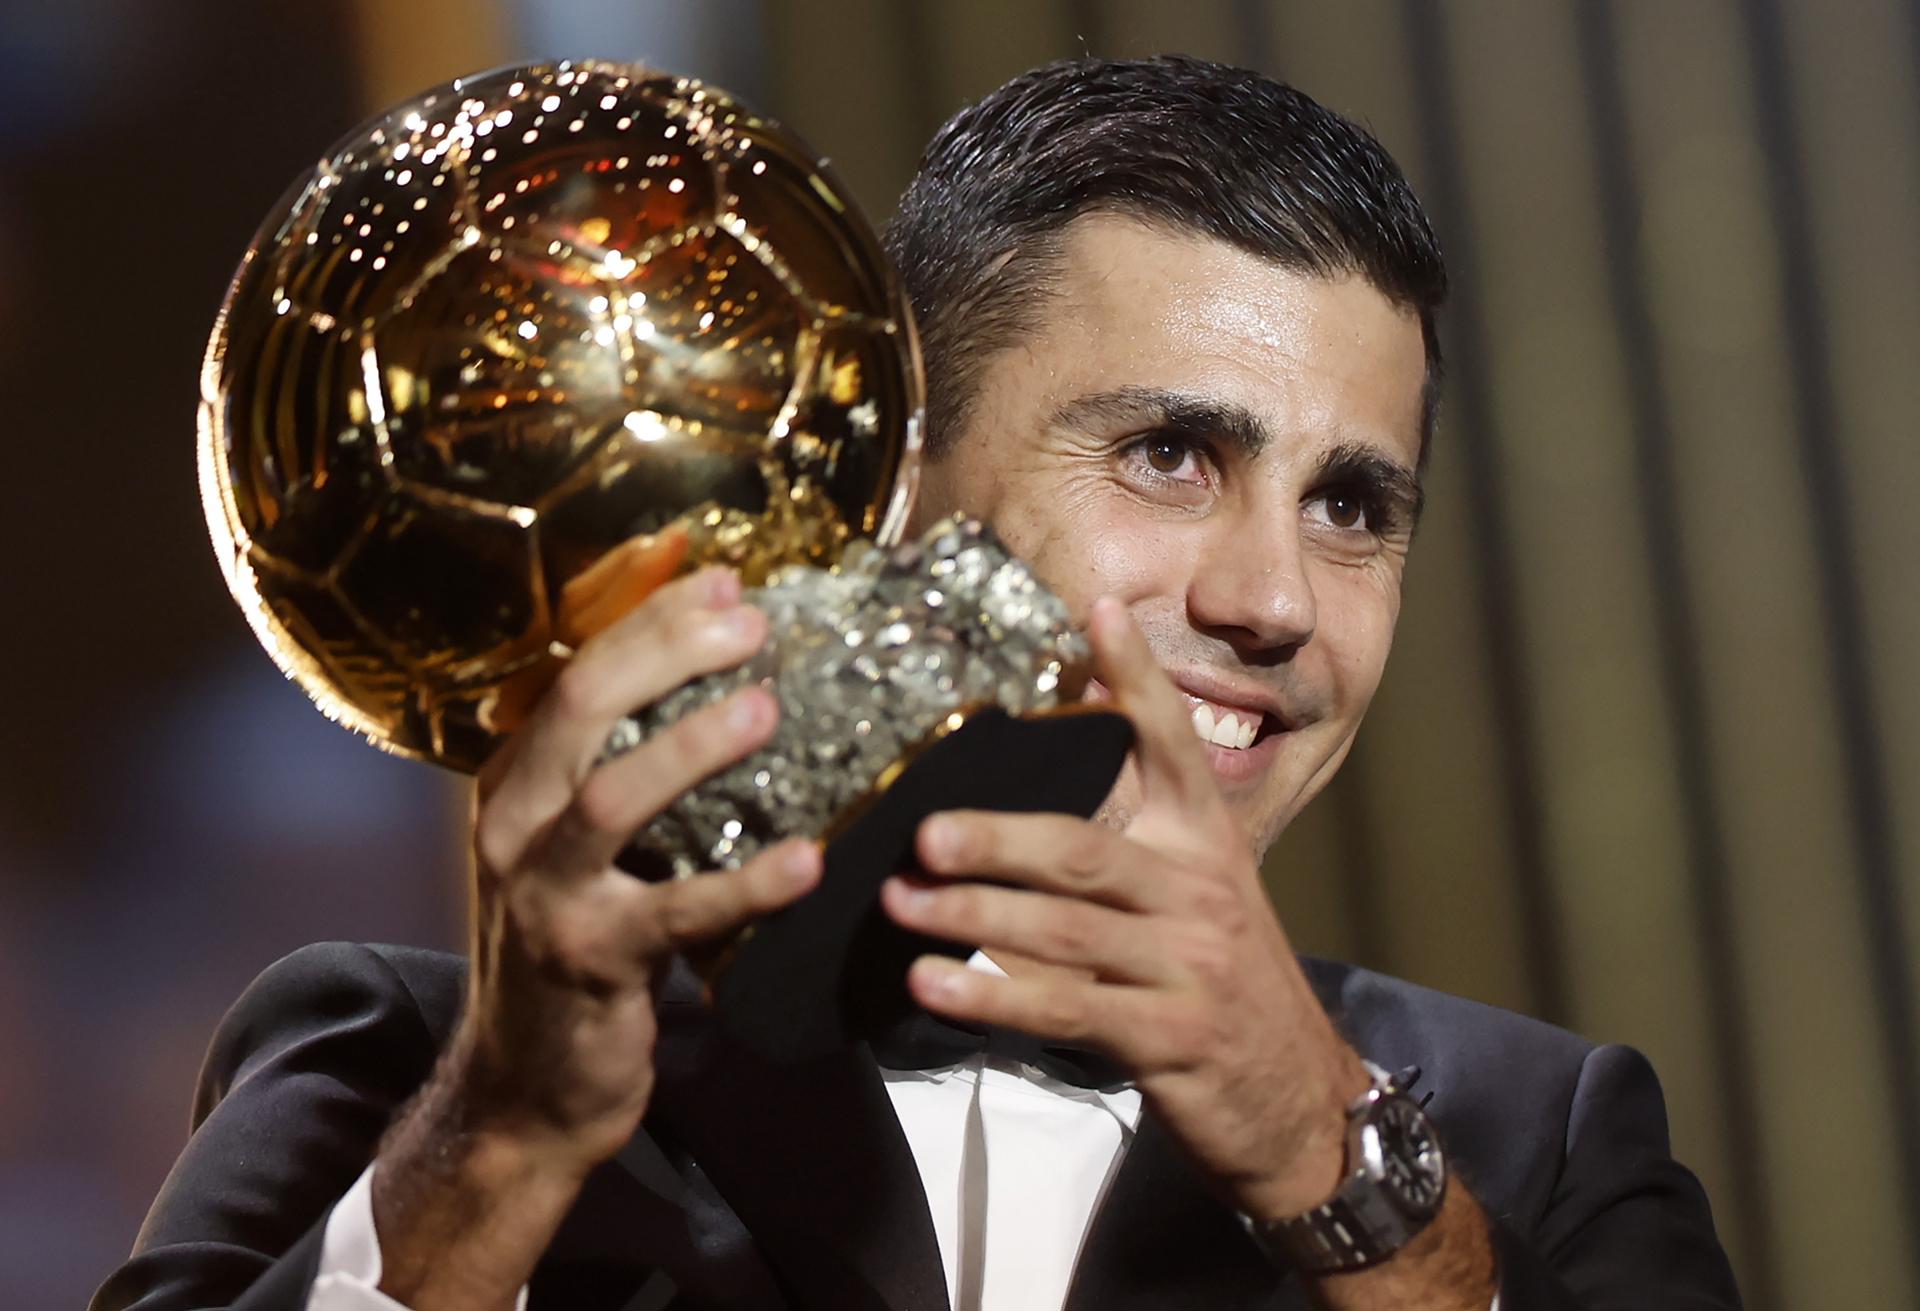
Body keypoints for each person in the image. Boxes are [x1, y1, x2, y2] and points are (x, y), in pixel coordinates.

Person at [93, 55, 1742, 1311]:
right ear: (891, 488)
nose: (1273, 601)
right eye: (1171, 454)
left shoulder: (1543, 1136)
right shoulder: (409, 1069)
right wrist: (505, 1142)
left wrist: (1335, 1162)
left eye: (1353, 508)